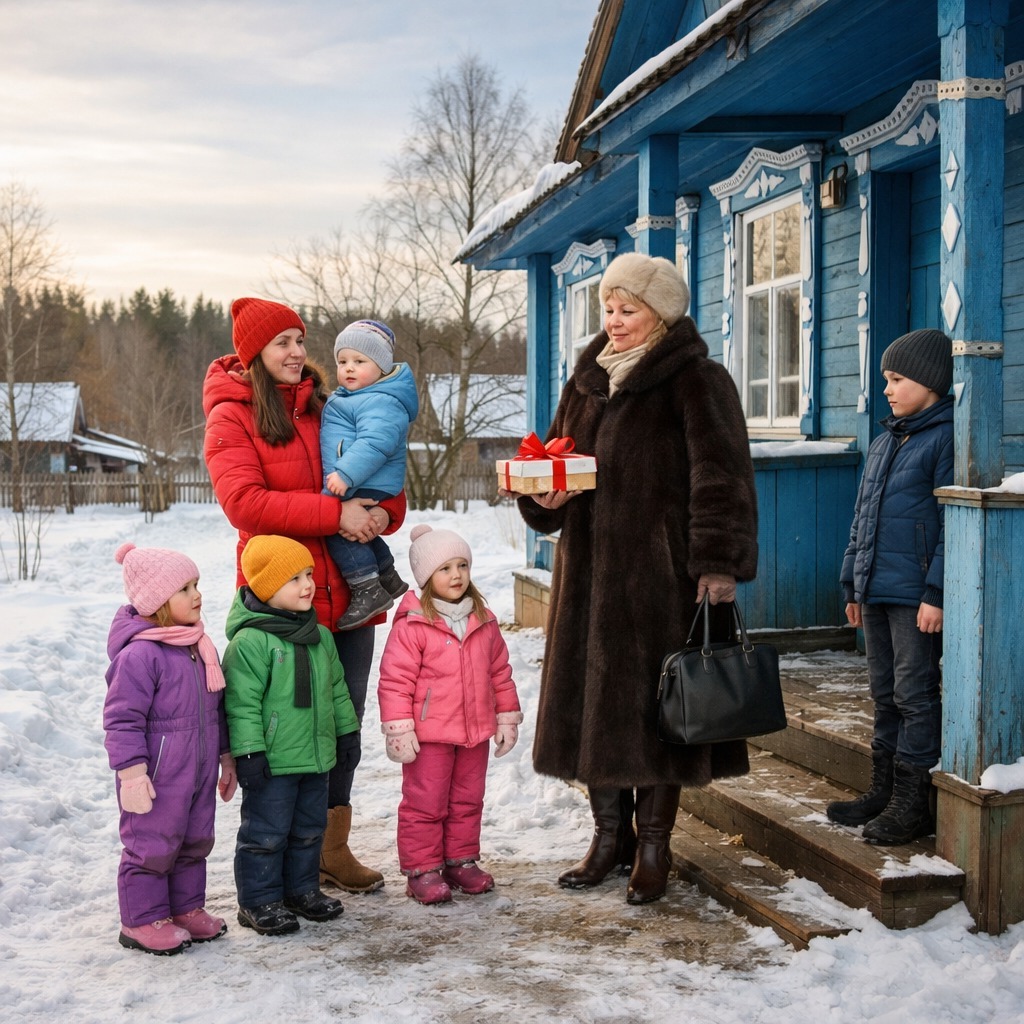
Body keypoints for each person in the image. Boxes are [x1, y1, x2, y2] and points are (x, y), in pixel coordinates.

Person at [509, 251, 758, 905]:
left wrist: (717, 568)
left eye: (629, 310)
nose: (614, 321)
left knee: (658, 716)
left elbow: (722, 479)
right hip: (588, 576)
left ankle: (653, 844)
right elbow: (555, 463)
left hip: (660, 577)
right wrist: (543, 500)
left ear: (662, 315)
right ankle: (607, 837)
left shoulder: (698, 381)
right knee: (594, 711)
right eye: (609, 309)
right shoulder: (587, 381)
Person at [203, 296, 407, 894]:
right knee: (281, 735)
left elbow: (379, 468)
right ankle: (278, 861)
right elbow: (247, 504)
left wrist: (382, 513)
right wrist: (334, 512)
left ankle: (329, 850)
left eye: (300, 340)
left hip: (348, 596)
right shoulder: (232, 414)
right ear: (254, 354)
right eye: (282, 343)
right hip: (278, 605)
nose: (297, 353)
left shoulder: (329, 401)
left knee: (342, 732)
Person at [828, 328, 954, 845]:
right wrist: (852, 584)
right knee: (883, 693)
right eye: (886, 379)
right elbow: (862, 520)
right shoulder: (884, 442)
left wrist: (937, 593)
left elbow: (953, 525)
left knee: (914, 694)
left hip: (915, 597)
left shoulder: (944, 438)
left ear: (929, 381)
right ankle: (884, 790)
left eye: (897, 379)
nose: (887, 388)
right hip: (876, 590)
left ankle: (912, 802)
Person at [377, 525, 523, 905]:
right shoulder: (414, 625)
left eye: (462, 565)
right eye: (444, 569)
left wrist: (506, 716)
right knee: (426, 801)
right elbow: (395, 680)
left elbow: (499, 673)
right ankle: (422, 868)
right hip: (429, 735)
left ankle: (460, 860)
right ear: (426, 577)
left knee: (467, 799)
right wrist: (399, 728)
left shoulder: (484, 620)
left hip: (474, 732)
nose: (456, 575)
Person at [222, 535, 360, 935]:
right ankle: (259, 900)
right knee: (265, 834)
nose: (307, 585)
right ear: (266, 588)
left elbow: (337, 690)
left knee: (308, 830)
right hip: (274, 763)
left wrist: (347, 733)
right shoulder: (250, 643)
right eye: (293, 579)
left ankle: (301, 890)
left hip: (315, 758)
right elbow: (241, 704)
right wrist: (249, 752)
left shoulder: (320, 637)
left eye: (308, 574)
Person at [104, 543, 237, 956]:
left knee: (194, 839)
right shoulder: (141, 655)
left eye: (196, 585)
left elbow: (217, 707)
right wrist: (131, 774)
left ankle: (184, 909)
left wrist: (225, 757)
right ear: (157, 601)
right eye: (184, 589)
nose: (197, 595)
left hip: (197, 769)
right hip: (157, 773)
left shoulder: (199, 645)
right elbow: (122, 719)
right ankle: (142, 919)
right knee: (153, 843)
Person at [320, 319, 419, 631]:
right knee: (356, 526)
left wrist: (345, 474)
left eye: (360, 361)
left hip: (363, 479)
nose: (349, 368)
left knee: (336, 528)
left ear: (381, 367)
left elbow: (375, 443)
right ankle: (387, 575)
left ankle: (367, 588)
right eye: (343, 361)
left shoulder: (381, 401)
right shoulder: (356, 396)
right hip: (362, 478)